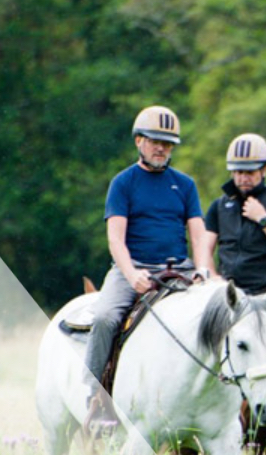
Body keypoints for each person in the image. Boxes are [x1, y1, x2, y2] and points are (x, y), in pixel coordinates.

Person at [84, 105, 209, 427]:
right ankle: (95, 395)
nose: (161, 148)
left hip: (178, 271)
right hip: (134, 268)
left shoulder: (185, 185)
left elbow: (198, 235)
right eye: (155, 141)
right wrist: (131, 274)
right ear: (139, 141)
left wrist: (203, 270)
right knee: (105, 316)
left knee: (210, 319)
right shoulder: (123, 183)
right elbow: (115, 239)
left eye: (167, 144)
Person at [202, 133, 266, 293]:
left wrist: (263, 218)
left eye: (249, 172)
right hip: (227, 293)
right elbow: (204, 249)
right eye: (238, 172)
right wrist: (211, 276)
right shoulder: (218, 206)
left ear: (264, 170)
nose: (243, 178)